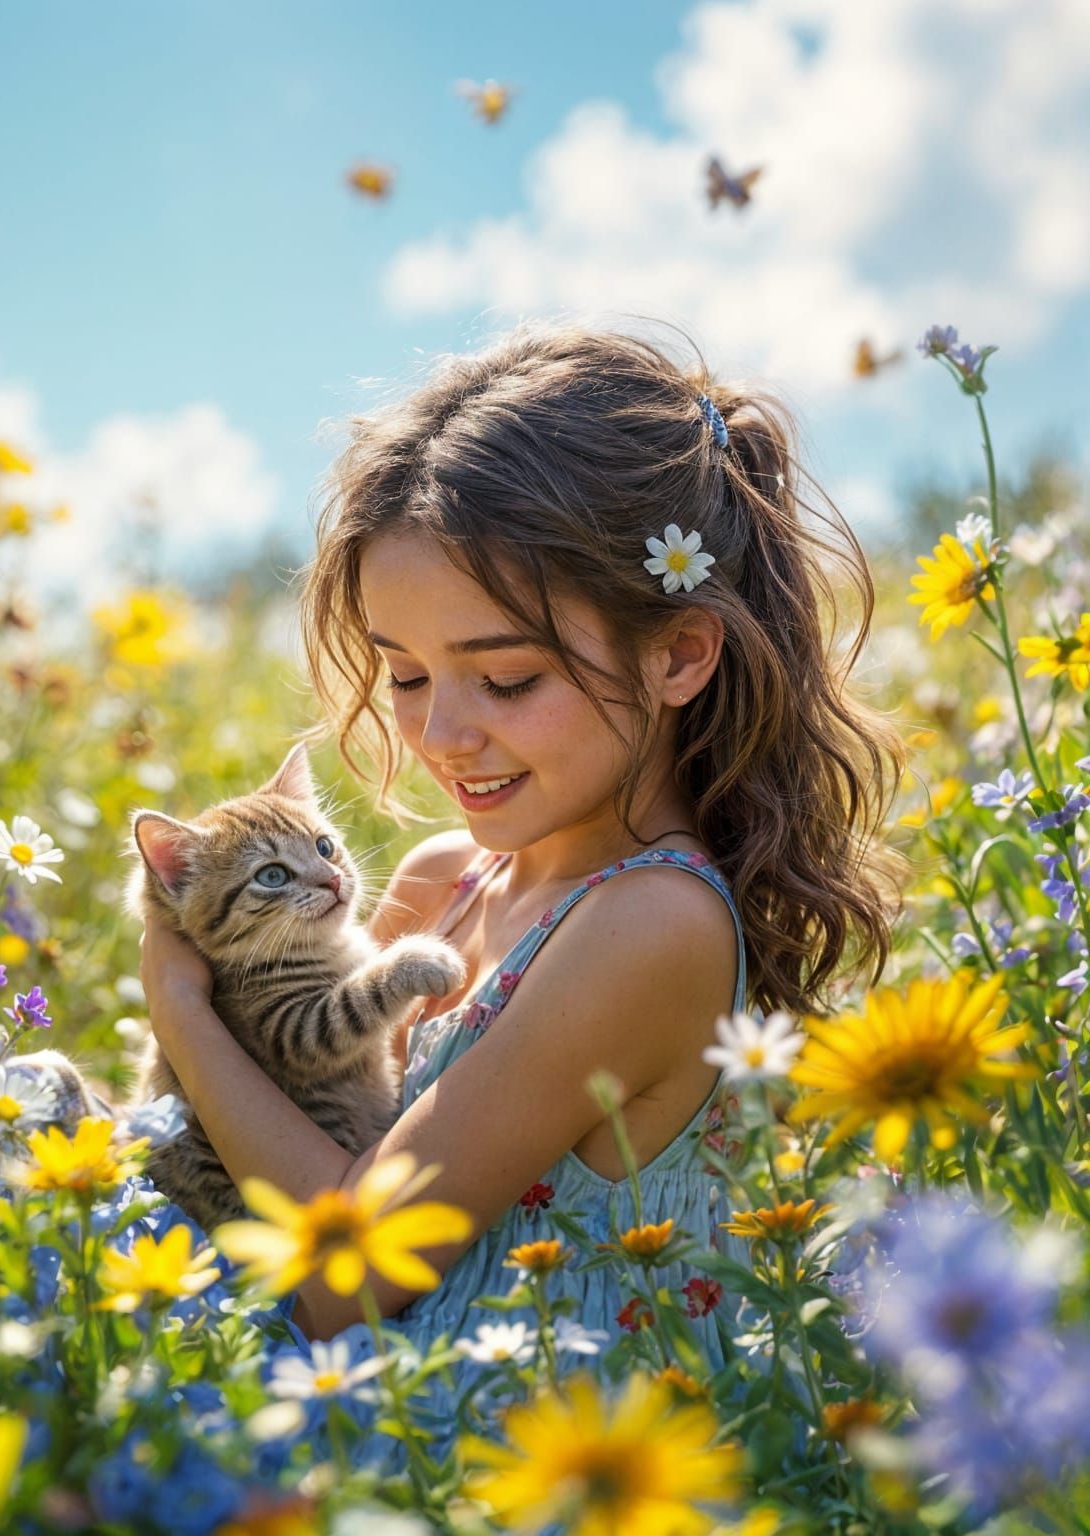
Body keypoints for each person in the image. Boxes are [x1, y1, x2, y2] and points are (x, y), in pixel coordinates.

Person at [136, 323, 903, 1452]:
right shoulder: (444, 880)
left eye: (504, 676)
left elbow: (342, 1272)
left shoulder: (652, 925)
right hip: (347, 1401)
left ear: (680, 654)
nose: (442, 733)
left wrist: (181, 1011)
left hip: (507, 1469)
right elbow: (282, 1137)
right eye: (403, 673)